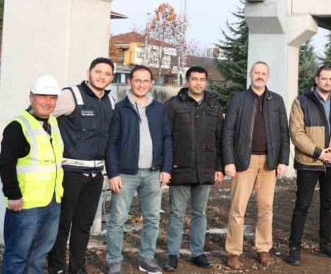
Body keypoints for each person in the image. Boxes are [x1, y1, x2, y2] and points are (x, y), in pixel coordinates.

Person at [48, 58, 116, 274]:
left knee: (83, 225)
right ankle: (56, 268)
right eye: (98, 72)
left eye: (107, 73)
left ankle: (77, 268)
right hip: (70, 172)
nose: (102, 77)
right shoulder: (71, 95)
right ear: (88, 73)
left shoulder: (110, 101)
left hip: (96, 174)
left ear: (112, 77)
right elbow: (41, 116)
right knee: (62, 225)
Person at [222, 61, 290, 269]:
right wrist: (229, 161)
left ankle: (263, 249)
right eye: (256, 72)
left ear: (267, 77)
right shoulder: (238, 99)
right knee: (237, 208)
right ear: (250, 75)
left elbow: (284, 133)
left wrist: (283, 160)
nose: (260, 76)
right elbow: (228, 132)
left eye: (263, 73)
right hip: (244, 161)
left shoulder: (276, 101)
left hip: (269, 163)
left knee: (266, 208)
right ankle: (234, 252)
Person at [105, 65, 172, 274]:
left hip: (153, 173)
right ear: (130, 82)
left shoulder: (159, 108)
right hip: (125, 173)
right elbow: (111, 143)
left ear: (151, 83)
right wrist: (113, 173)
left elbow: (167, 139)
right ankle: (115, 261)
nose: (141, 84)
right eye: (137, 80)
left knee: (152, 218)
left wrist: (166, 168)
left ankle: (147, 258)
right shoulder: (120, 109)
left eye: (145, 81)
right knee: (117, 219)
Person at [287, 65, 331, 266]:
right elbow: (296, 133)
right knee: (302, 205)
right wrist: (318, 152)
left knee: (328, 205)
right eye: (323, 78)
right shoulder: (301, 101)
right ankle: (295, 248)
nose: (327, 82)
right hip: (309, 162)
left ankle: (326, 244)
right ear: (316, 79)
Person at [0, 75, 64, 274]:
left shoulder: (53, 123)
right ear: (31, 98)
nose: (48, 102)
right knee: (18, 254)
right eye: (42, 96)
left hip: (52, 202)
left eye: (52, 97)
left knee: (39, 254)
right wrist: (14, 195)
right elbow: (6, 165)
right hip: (26, 205)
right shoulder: (18, 127)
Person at [163, 66, 225, 270]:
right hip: (179, 167)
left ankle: (197, 253)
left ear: (206, 82)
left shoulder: (214, 106)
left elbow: (219, 139)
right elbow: (166, 138)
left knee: (200, 214)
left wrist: (219, 167)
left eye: (202, 79)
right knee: (177, 213)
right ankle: (172, 253)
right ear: (187, 81)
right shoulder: (173, 105)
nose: (198, 83)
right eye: (194, 79)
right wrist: (167, 167)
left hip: (205, 167)